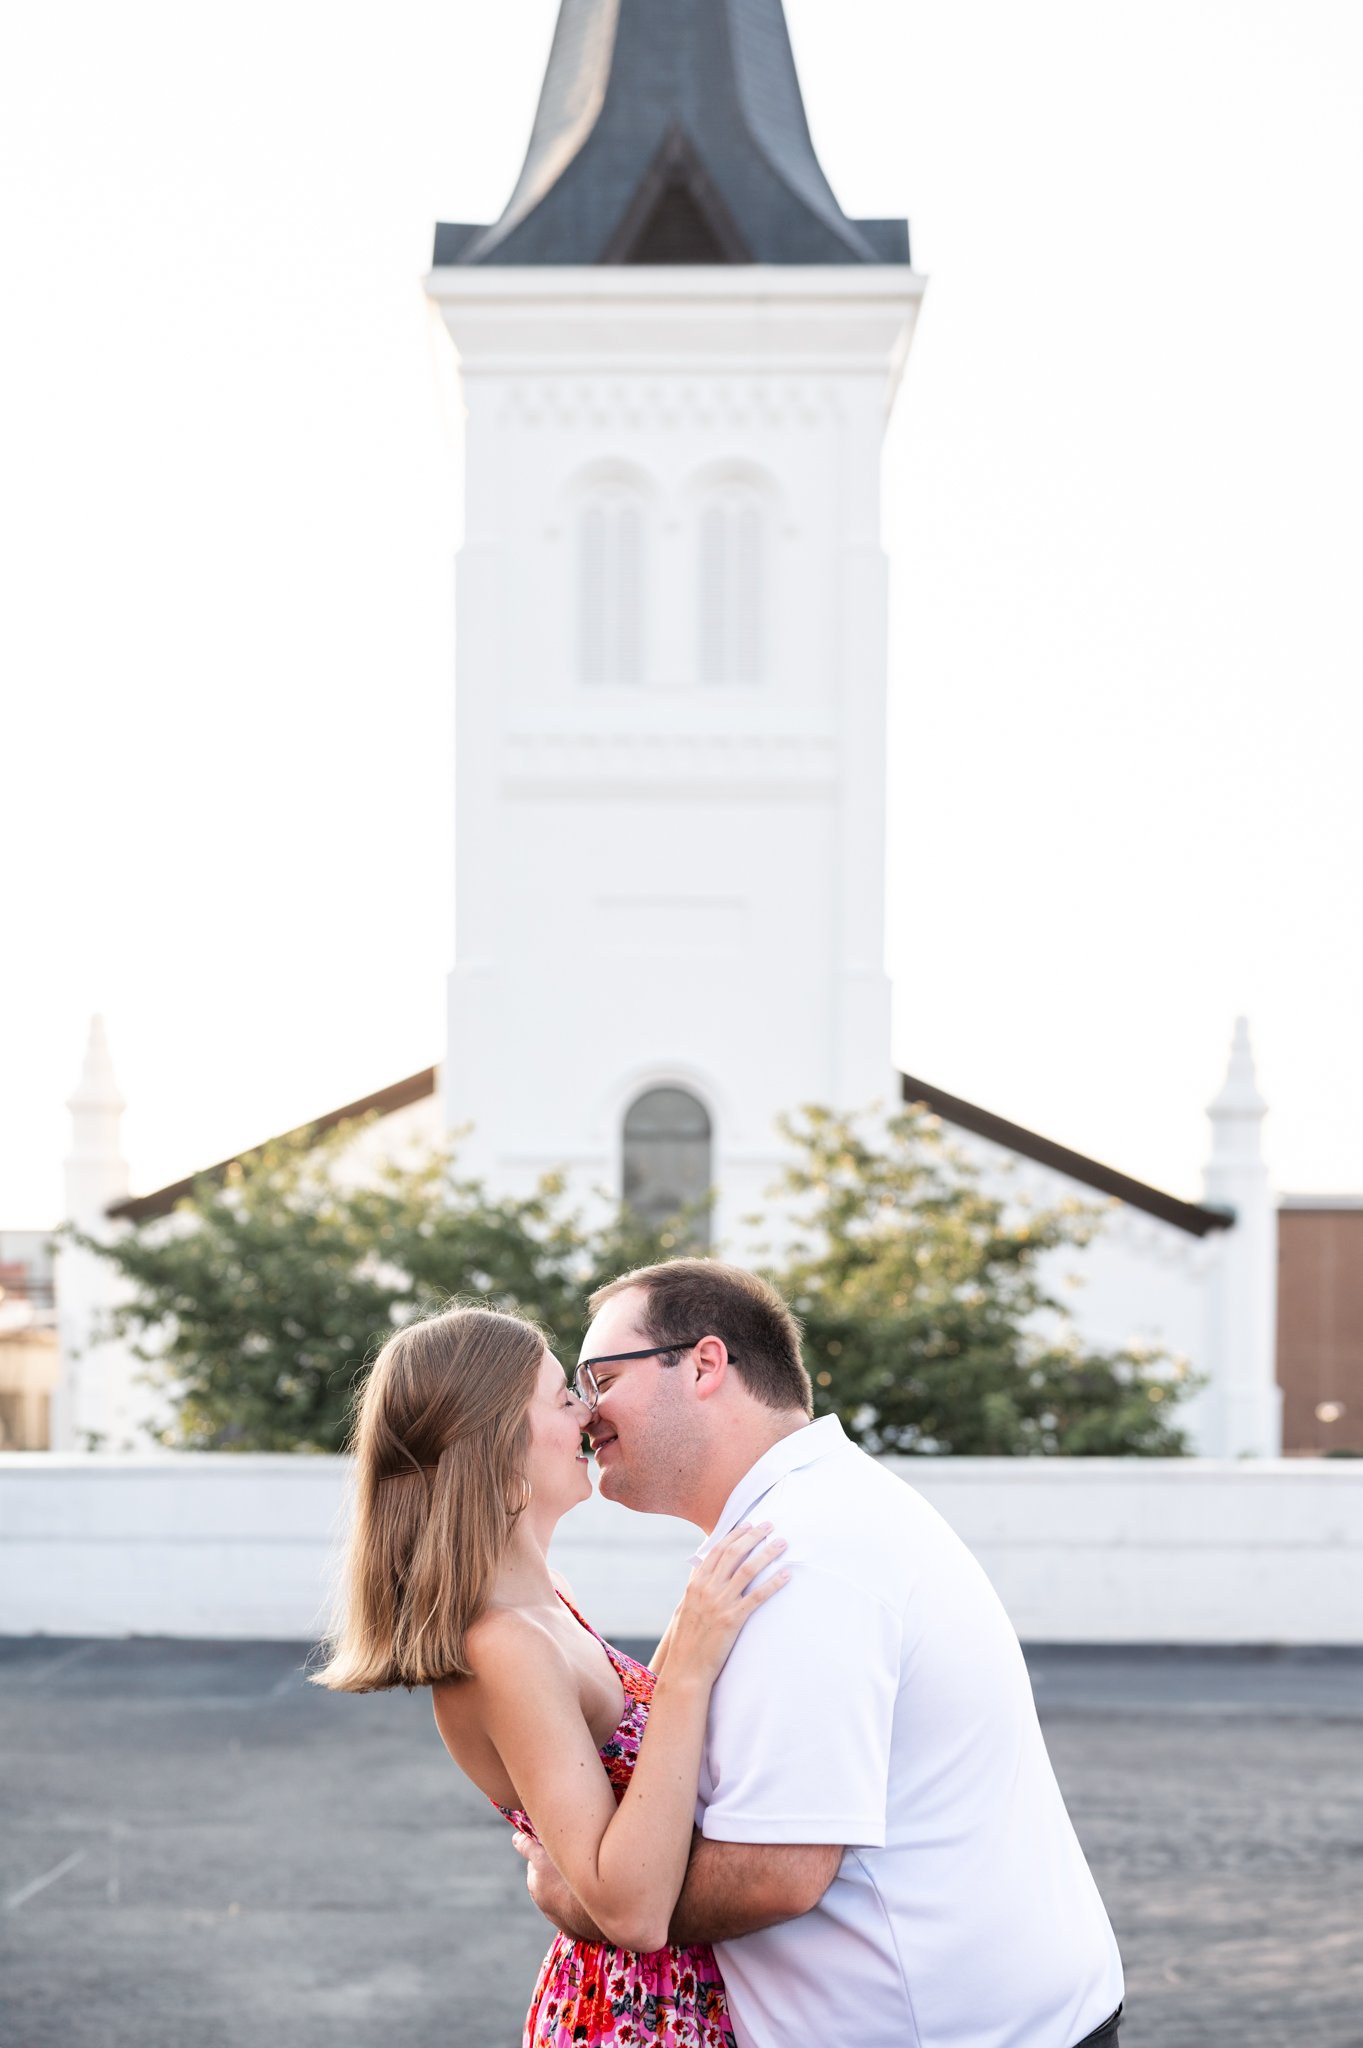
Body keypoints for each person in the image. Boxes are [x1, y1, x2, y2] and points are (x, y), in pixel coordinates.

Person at [518, 1258, 1127, 2048]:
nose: (587, 1411)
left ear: (704, 1364)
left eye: (600, 1376)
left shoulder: (802, 1557)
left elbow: (774, 1873)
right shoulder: (804, 1519)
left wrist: (586, 1900)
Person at [312, 1303, 789, 2047]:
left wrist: (691, 1626)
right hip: (635, 2023)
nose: (589, 1414)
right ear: (498, 1440)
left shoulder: (543, 1602)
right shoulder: (504, 1642)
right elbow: (630, 1910)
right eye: (564, 1395)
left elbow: (626, 1744)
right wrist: (691, 1666)